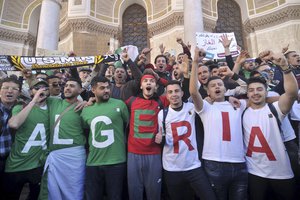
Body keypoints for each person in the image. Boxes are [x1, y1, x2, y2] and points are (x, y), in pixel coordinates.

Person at [189, 47, 248, 200]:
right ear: (207, 92)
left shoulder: (238, 104)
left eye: (220, 85)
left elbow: (249, 89)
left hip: (239, 164)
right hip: (214, 164)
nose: (217, 87)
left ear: (225, 88)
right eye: (213, 86)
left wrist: (232, 74)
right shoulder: (206, 108)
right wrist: (195, 62)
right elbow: (194, 92)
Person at [243, 51, 298, 200]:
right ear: (246, 94)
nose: (255, 93)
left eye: (259, 89)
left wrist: (285, 68)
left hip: (281, 173)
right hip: (255, 173)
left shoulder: (275, 108)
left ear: (266, 91)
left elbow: (291, 93)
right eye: (251, 90)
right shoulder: (241, 110)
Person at [155, 80, 216, 200]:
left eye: (177, 91)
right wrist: (160, 140)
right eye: (170, 92)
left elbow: (209, 99)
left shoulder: (192, 108)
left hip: (193, 166)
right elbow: (162, 137)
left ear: (182, 93)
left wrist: (229, 98)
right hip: (172, 167)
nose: (174, 95)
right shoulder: (162, 114)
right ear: (166, 95)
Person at [81, 76, 129, 200]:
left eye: (108, 87)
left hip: (116, 161)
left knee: (115, 197)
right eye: (102, 88)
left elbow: (127, 126)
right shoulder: (86, 110)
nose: (106, 90)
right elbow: (85, 132)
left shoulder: (120, 104)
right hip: (93, 161)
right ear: (93, 90)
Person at [39, 78, 87, 200]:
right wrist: (30, 77)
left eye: (72, 85)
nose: (67, 88)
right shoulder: (53, 102)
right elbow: (35, 92)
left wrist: (89, 101)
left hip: (74, 156)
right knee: (52, 191)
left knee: (75, 189)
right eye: (66, 85)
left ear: (80, 90)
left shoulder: (84, 107)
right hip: (55, 156)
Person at [126, 69, 169, 200]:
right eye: (145, 81)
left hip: (154, 153)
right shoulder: (131, 101)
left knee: (154, 192)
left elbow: (175, 87)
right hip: (133, 153)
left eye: (152, 81)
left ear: (156, 86)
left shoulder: (162, 101)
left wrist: (159, 78)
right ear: (141, 85)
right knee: (134, 191)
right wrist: (89, 101)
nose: (148, 83)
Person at [4, 78, 49, 200]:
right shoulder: (20, 106)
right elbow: (14, 124)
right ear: (30, 92)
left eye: (44, 88)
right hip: (16, 164)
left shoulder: (52, 108)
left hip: (37, 166)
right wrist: (33, 101)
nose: (41, 90)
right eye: (37, 88)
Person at [0, 77, 21, 194]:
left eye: (14, 89)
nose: (9, 91)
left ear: (19, 93)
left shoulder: (23, 108)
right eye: (5, 88)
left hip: (12, 161)